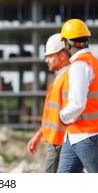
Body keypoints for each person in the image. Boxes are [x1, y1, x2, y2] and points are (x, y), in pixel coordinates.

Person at [57, 18, 98, 173]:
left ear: (67, 44)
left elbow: (77, 104)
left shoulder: (79, 65)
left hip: (89, 136)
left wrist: (62, 116)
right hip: (75, 136)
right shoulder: (96, 64)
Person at [27, 33, 69, 173]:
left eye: (50, 56)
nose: (46, 60)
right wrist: (39, 135)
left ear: (62, 55)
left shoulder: (67, 78)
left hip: (61, 142)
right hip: (57, 141)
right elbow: (53, 115)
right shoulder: (59, 78)